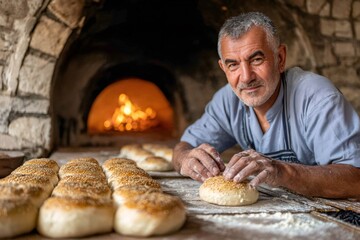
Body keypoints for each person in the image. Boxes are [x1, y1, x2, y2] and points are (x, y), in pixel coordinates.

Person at [172, 12, 360, 199]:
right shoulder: (228, 100)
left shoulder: (317, 96)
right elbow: (183, 148)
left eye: (256, 60)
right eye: (233, 65)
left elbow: (355, 179)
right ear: (223, 68)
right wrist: (186, 159)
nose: (246, 77)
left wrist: (282, 172)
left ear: (280, 58)